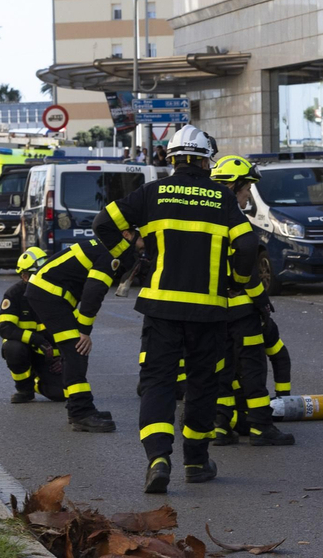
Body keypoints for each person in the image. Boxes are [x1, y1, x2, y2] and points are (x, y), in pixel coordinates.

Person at [92, 125, 258, 494]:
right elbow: (247, 248)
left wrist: (130, 253)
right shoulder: (222, 198)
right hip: (211, 313)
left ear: (171, 159)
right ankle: (196, 462)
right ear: (205, 160)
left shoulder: (151, 193)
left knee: (158, 383)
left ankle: (158, 459)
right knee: (202, 385)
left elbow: (103, 223)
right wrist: (238, 279)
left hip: (162, 309)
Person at [207, 155, 293, 447]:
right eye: (246, 190)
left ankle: (220, 427)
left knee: (223, 370)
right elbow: (248, 271)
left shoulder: (204, 220)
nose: (247, 196)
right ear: (233, 186)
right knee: (253, 368)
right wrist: (262, 303)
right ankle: (260, 428)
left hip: (215, 314)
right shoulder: (235, 220)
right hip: (242, 312)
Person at [23, 231, 130, 431]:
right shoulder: (111, 253)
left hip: (50, 294)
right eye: (141, 238)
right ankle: (81, 413)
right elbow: (93, 292)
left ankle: (78, 406)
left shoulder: (105, 246)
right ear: (128, 234)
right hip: (49, 295)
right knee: (76, 350)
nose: (143, 244)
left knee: (74, 351)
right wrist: (84, 330)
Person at [0, 247, 65, 404]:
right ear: (24, 276)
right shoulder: (13, 295)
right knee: (13, 348)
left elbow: (72, 329)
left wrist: (64, 357)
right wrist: (36, 340)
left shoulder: (57, 292)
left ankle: (36, 382)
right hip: (25, 349)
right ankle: (25, 389)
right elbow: (5, 328)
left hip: (49, 355)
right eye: (36, 274)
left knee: (62, 394)